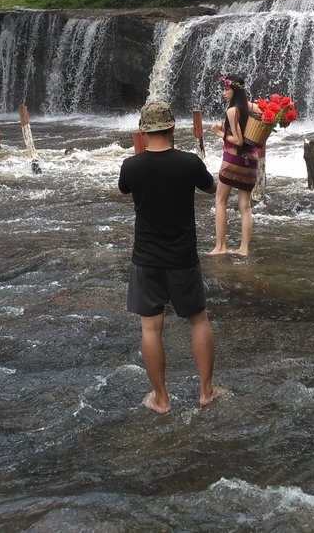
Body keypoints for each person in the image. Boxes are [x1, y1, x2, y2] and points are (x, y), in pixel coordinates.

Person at [117, 99, 222, 414]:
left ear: (142, 131)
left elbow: (124, 189)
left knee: (150, 327)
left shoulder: (131, 166)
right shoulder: (188, 163)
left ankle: (161, 398)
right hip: (183, 257)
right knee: (198, 320)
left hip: (146, 257)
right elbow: (210, 187)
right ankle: (206, 391)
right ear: (173, 128)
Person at [210, 73, 261, 255]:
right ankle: (244, 249)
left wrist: (218, 132)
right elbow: (267, 111)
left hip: (233, 159)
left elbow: (237, 141)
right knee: (245, 205)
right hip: (251, 160)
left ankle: (220, 247)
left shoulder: (232, 111)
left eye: (226, 89)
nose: (223, 93)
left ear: (235, 91)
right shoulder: (250, 107)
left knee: (220, 200)